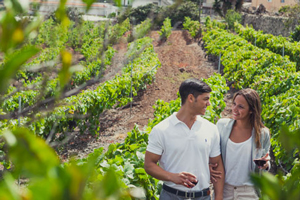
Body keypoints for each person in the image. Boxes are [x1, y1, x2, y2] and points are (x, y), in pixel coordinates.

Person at [144, 78, 224, 200]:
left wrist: (218, 197)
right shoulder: (161, 130)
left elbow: (217, 165)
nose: (209, 104)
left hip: (203, 196)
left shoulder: (211, 129)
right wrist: (172, 177)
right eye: (205, 99)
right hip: (171, 196)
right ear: (191, 98)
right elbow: (149, 165)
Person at [210, 88, 271, 200]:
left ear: (251, 110)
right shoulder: (221, 126)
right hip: (224, 189)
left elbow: (265, 160)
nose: (235, 109)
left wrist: (266, 165)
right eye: (234, 104)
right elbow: (213, 154)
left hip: (248, 191)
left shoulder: (262, 134)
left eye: (240, 107)